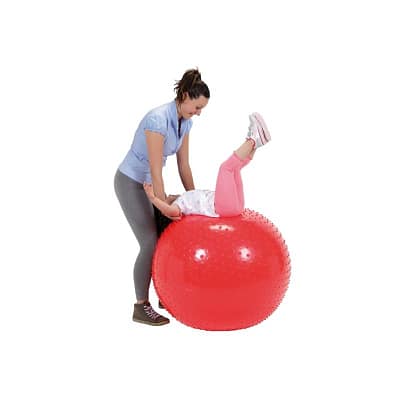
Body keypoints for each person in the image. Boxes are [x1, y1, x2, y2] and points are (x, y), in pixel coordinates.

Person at [114, 68, 210, 326]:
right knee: (150, 242)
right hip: (131, 183)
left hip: (150, 184)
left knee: (168, 236)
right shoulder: (157, 120)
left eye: (202, 109)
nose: (199, 113)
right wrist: (161, 203)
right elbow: (156, 170)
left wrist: (194, 201)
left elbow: (184, 166)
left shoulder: (185, 122)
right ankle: (141, 306)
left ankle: (165, 295)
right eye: (197, 107)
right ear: (185, 96)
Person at [143, 112, 271, 219]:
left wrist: (168, 198)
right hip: (223, 207)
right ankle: (253, 140)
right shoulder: (179, 207)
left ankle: (256, 143)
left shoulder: (184, 197)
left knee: (236, 168)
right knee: (225, 169)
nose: (167, 196)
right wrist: (153, 198)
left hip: (234, 205)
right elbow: (168, 211)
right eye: (165, 199)